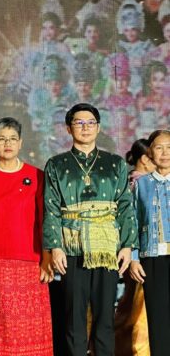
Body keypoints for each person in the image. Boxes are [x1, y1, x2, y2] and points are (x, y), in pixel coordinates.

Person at [44, 103, 136, 356]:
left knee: (105, 317)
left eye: (90, 123)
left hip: (107, 248)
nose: (85, 128)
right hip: (72, 248)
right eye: (79, 123)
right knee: (74, 318)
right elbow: (51, 208)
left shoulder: (115, 163)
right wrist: (55, 247)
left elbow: (125, 205)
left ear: (98, 127)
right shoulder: (57, 164)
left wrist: (128, 245)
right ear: (68, 128)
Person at [0, 117, 53, 356]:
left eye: (12, 139)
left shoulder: (37, 176)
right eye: (1, 139)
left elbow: (45, 219)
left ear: (20, 143)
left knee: (29, 327)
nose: (7, 144)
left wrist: (47, 258)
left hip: (29, 261)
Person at [129, 129, 170, 354]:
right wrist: (134, 258)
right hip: (152, 258)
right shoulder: (141, 184)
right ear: (150, 153)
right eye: (159, 148)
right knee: (158, 318)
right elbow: (132, 222)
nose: (165, 153)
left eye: (169, 147)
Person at [114, 138, 154, 356]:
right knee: (139, 310)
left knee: (131, 306)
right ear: (145, 159)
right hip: (141, 254)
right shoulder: (138, 185)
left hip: (135, 253)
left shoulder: (131, 182)